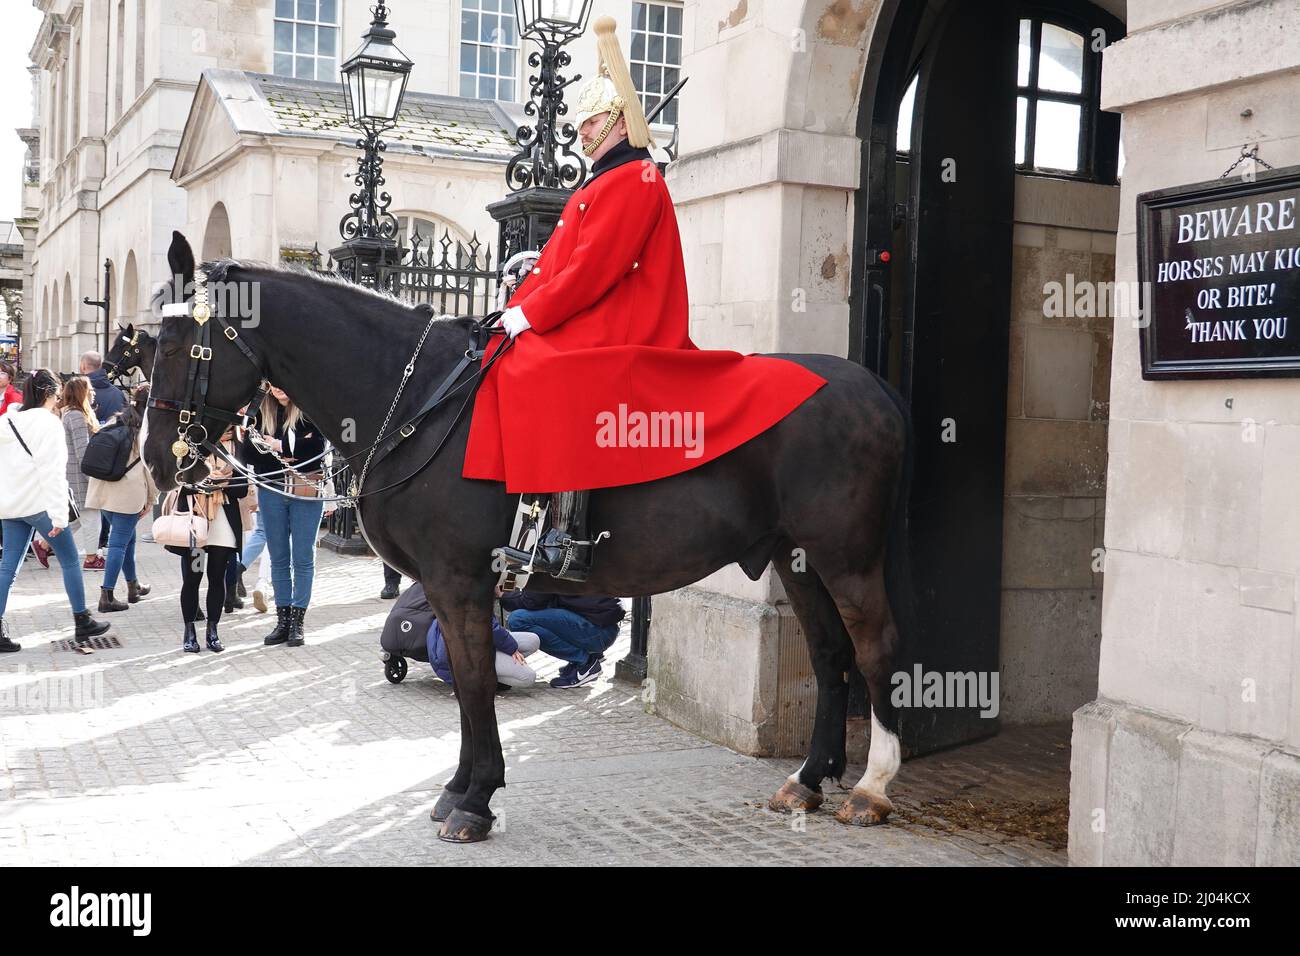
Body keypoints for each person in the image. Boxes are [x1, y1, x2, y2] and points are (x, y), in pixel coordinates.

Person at [463, 17, 825, 583]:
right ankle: (528, 511)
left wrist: (529, 313)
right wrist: (526, 291)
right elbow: (567, 260)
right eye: (580, 123)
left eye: (589, 123)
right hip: (596, 310)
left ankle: (568, 532)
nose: (579, 133)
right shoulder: (603, 181)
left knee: (548, 372)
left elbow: (593, 271)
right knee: (508, 358)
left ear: (615, 122)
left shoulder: (634, 179)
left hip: (624, 321)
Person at [0, 368, 111, 652]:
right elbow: (53, 474)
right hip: (40, 505)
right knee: (71, 560)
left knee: (8, 568)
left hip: (11, 505)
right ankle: (81, 620)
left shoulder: (7, 421)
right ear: (50, 393)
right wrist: (60, 516)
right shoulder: (49, 425)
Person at [241, 385, 325, 648]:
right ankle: (284, 620)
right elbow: (249, 453)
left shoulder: (310, 405)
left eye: (282, 381)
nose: (278, 388)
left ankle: (298, 622)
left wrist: (277, 445)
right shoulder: (259, 409)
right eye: (272, 382)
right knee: (278, 558)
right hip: (272, 488)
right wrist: (294, 449)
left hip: (305, 486)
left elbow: (317, 447)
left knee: (302, 556)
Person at [166, 429, 247, 652]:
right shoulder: (193, 444)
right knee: (193, 577)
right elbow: (180, 481)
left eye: (229, 426)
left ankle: (213, 630)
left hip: (223, 522)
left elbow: (242, 490)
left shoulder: (238, 445)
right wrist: (208, 480)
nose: (226, 430)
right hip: (197, 521)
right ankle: (189, 630)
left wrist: (223, 483)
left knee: (216, 577)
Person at [84, 386, 154, 613]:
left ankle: (133, 587)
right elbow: (149, 469)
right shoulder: (145, 430)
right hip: (127, 493)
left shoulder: (115, 421)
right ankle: (107, 595)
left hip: (103, 490)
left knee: (127, 539)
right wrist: (151, 498)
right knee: (118, 544)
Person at [499, 589, 625, 688]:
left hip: (597, 631)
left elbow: (532, 601)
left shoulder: (548, 558)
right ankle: (587, 656)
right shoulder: (573, 556)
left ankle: (585, 663)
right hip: (605, 626)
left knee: (518, 619)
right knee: (539, 612)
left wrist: (503, 594)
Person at [57, 376, 104, 570]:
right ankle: (91, 559)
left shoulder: (70, 414)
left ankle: (42, 545)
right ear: (81, 393)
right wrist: (92, 479)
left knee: (77, 518)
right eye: (90, 390)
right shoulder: (76, 415)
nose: (93, 393)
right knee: (92, 518)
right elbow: (82, 451)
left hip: (74, 475)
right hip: (80, 476)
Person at [426, 614, 541, 690]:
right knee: (528, 677)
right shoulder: (472, 591)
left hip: (477, 641)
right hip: (464, 659)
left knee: (533, 640)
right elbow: (489, 627)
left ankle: (502, 665)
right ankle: (489, 679)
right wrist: (511, 649)